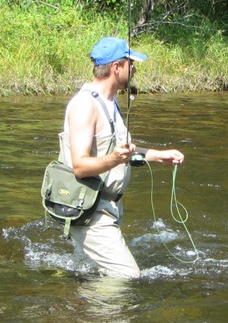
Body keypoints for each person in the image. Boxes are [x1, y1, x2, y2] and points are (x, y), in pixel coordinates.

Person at [58, 37, 185, 278]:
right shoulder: (85, 105)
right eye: (131, 64)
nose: (135, 70)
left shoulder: (110, 102)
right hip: (90, 210)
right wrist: (116, 159)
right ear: (116, 67)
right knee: (127, 277)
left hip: (107, 205)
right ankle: (95, 315)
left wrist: (157, 155)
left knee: (89, 273)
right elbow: (80, 166)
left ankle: (75, 306)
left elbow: (119, 152)